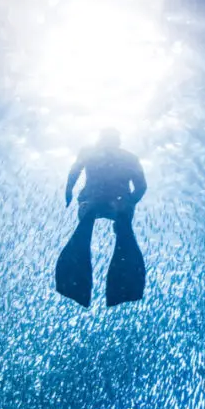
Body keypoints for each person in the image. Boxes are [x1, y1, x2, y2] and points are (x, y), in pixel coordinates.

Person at [55, 128, 147, 307]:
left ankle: (75, 287)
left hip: (92, 200)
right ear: (118, 140)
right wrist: (129, 204)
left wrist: (69, 191)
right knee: (124, 233)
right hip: (119, 203)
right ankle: (123, 291)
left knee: (85, 226)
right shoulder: (130, 158)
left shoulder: (89, 151)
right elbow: (141, 187)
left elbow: (74, 171)